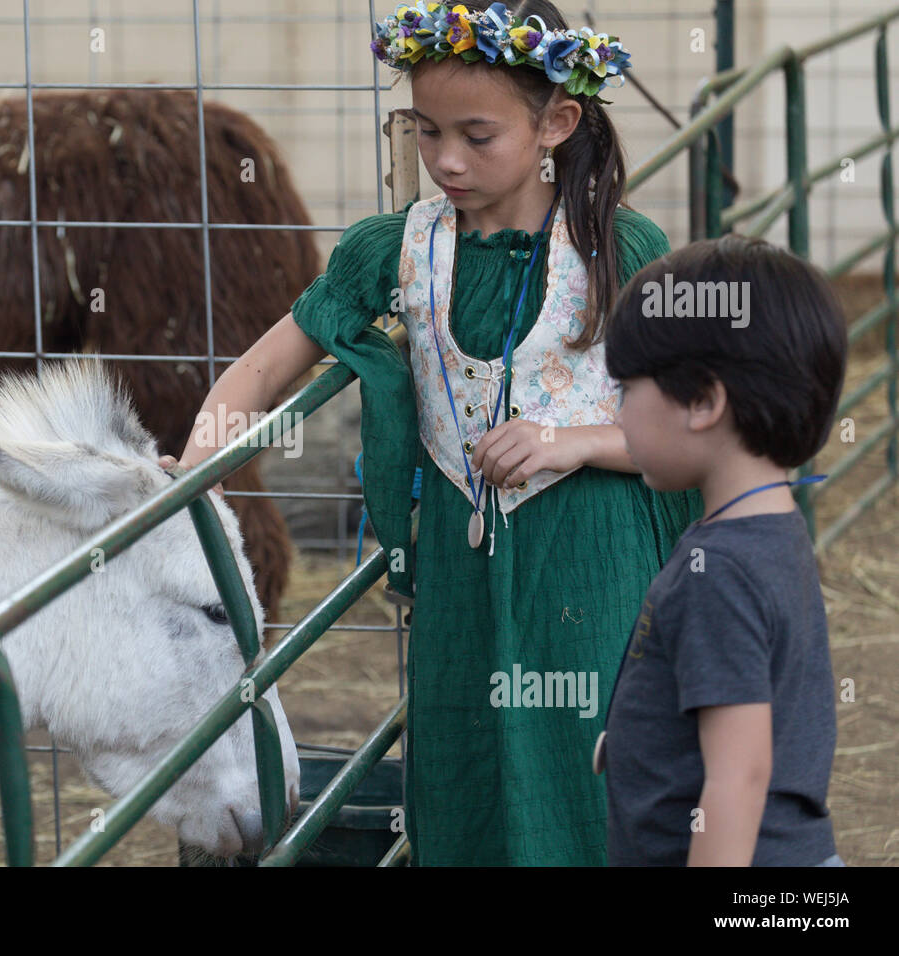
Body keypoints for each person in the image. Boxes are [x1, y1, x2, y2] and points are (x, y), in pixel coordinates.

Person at [168, 0, 702, 865]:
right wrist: (193, 477)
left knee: (589, 766)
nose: (446, 160)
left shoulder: (620, 246)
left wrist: (573, 441)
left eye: (477, 136)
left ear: (557, 123)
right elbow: (264, 369)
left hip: (592, 562)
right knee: (462, 770)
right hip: (459, 569)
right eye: (426, 131)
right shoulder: (392, 250)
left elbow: (691, 422)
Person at [600, 234, 847, 866]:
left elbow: (738, 777)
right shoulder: (770, 531)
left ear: (704, 401)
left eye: (628, 389)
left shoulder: (722, 573)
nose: (618, 413)